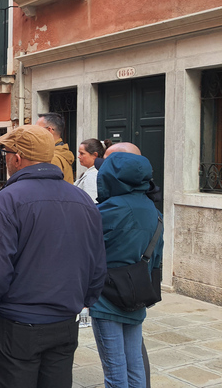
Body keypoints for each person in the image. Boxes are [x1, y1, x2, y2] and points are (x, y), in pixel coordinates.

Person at [0, 125, 107, 388]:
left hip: (16, 324)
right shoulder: (83, 200)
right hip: (65, 321)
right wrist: (83, 300)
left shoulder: (7, 200)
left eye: (6, 152)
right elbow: (97, 263)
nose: (4, 157)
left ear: (17, 157)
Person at [90, 142, 163, 388]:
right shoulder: (152, 209)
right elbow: (157, 257)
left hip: (107, 296)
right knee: (135, 366)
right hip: (137, 292)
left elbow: (84, 247)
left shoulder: (108, 209)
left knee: (115, 371)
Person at [36, 112, 75, 183]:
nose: (35, 132)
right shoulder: (62, 152)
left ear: (49, 130)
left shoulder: (52, 158)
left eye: (37, 129)